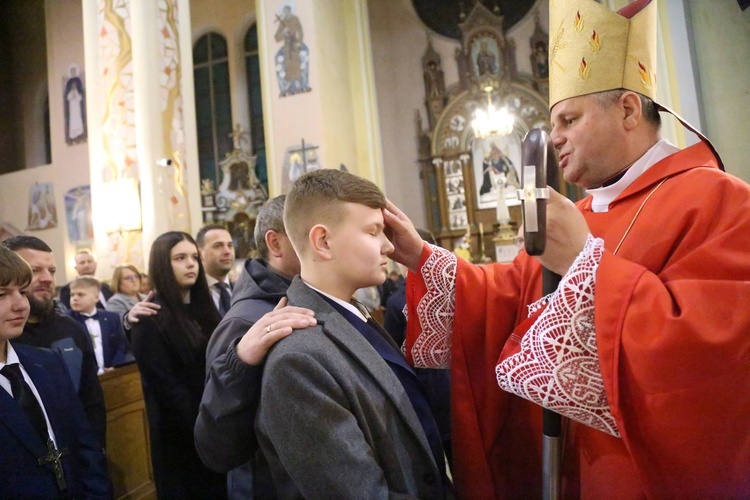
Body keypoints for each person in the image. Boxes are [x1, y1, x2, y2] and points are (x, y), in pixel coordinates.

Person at [382, 0, 750, 497]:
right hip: (573, 471)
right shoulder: (583, 215)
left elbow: (715, 357)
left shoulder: (718, 200)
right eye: (553, 124)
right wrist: (421, 256)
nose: (553, 138)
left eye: (569, 120)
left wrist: (586, 263)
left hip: (641, 477)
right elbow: (508, 297)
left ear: (626, 109)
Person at [255, 169, 449, 498]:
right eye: (374, 232)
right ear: (323, 242)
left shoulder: (352, 314)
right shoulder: (298, 361)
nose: (389, 246)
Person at [195, 195, 314, 498]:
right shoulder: (244, 322)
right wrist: (239, 363)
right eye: (308, 231)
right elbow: (218, 443)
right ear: (275, 244)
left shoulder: (303, 297)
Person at [0, 245, 110, 498]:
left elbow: (84, 447)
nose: (20, 305)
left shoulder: (46, 363)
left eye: (22, 292)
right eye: (1, 295)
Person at [129, 232, 227, 499]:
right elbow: (166, 387)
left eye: (194, 257)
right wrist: (206, 423)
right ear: (163, 263)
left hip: (215, 425)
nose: (191, 264)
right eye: (180, 258)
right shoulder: (150, 317)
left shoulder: (205, 310)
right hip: (181, 435)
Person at [383, 228, 452, 471]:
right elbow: (392, 347)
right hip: (420, 388)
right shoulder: (395, 301)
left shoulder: (454, 289)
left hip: (452, 385)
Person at [67, 276, 131, 374]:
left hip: (112, 372)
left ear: (96, 298)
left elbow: (121, 346)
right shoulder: (67, 320)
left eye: (80, 295)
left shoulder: (111, 318)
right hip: (84, 375)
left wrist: (115, 366)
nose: (75, 298)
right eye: (72, 295)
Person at [196, 224, 236, 318]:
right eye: (218, 246)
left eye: (230, 245)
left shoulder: (243, 291)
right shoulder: (190, 294)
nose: (227, 251)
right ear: (200, 253)